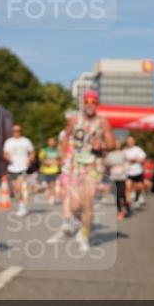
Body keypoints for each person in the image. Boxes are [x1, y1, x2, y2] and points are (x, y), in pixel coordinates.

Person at [58, 90, 116, 249]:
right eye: (87, 102)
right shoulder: (73, 119)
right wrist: (63, 155)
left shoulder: (103, 122)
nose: (90, 105)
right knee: (74, 206)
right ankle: (84, 224)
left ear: (97, 104)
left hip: (93, 166)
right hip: (75, 166)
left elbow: (112, 145)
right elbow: (65, 137)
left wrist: (102, 146)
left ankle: (85, 235)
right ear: (83, 103)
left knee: (87, 201)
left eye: (93, 102)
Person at [3, 124, 35, 217]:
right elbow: (5, 153)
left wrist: (29, 160)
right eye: (14, 131)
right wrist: (7, 158)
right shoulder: (9, 142)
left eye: (18, 131)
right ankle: (21, 206)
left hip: (22, 168)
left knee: (18, 187)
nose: (16, 132)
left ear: (21, 131)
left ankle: (22, 207)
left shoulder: (26, 141)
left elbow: (32, 152)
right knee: (16, 190)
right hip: (12, 168)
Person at [123, 135, 148, 209]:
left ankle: (137, 197)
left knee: (139, 187)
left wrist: (133, 160)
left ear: (134, 142)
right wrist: (135, 159)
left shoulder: (138, 149)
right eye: (128, 141)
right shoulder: (124, 151)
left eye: (131, 141)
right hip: (128, 172)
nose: (129, 142)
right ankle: (127, 205)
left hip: (138, 172)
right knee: (128, 188)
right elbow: (123, 160)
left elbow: (142, 159)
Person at [106, 147, 129, 219]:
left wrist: (124, 169)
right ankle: (119, 211)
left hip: (122, 176)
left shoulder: (123, 153)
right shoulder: (110, 154)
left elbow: (127, 163)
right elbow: (107, 163)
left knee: (122, 193)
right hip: (113, 177)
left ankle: (126, 204)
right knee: (117, 195)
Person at [38, 136, 62, 205]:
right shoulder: (44, 150)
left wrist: (59, 163)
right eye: (50, 141)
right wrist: (45, 163)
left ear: (55, 142)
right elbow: (41, 159)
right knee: (47, 185)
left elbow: (60, 159)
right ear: (48, 142)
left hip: (54, 170)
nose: (52, 143)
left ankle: (51, 197)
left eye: (53, 141)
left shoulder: (57, 150)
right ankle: (48, 193)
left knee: (52, 184)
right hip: (45, 170)